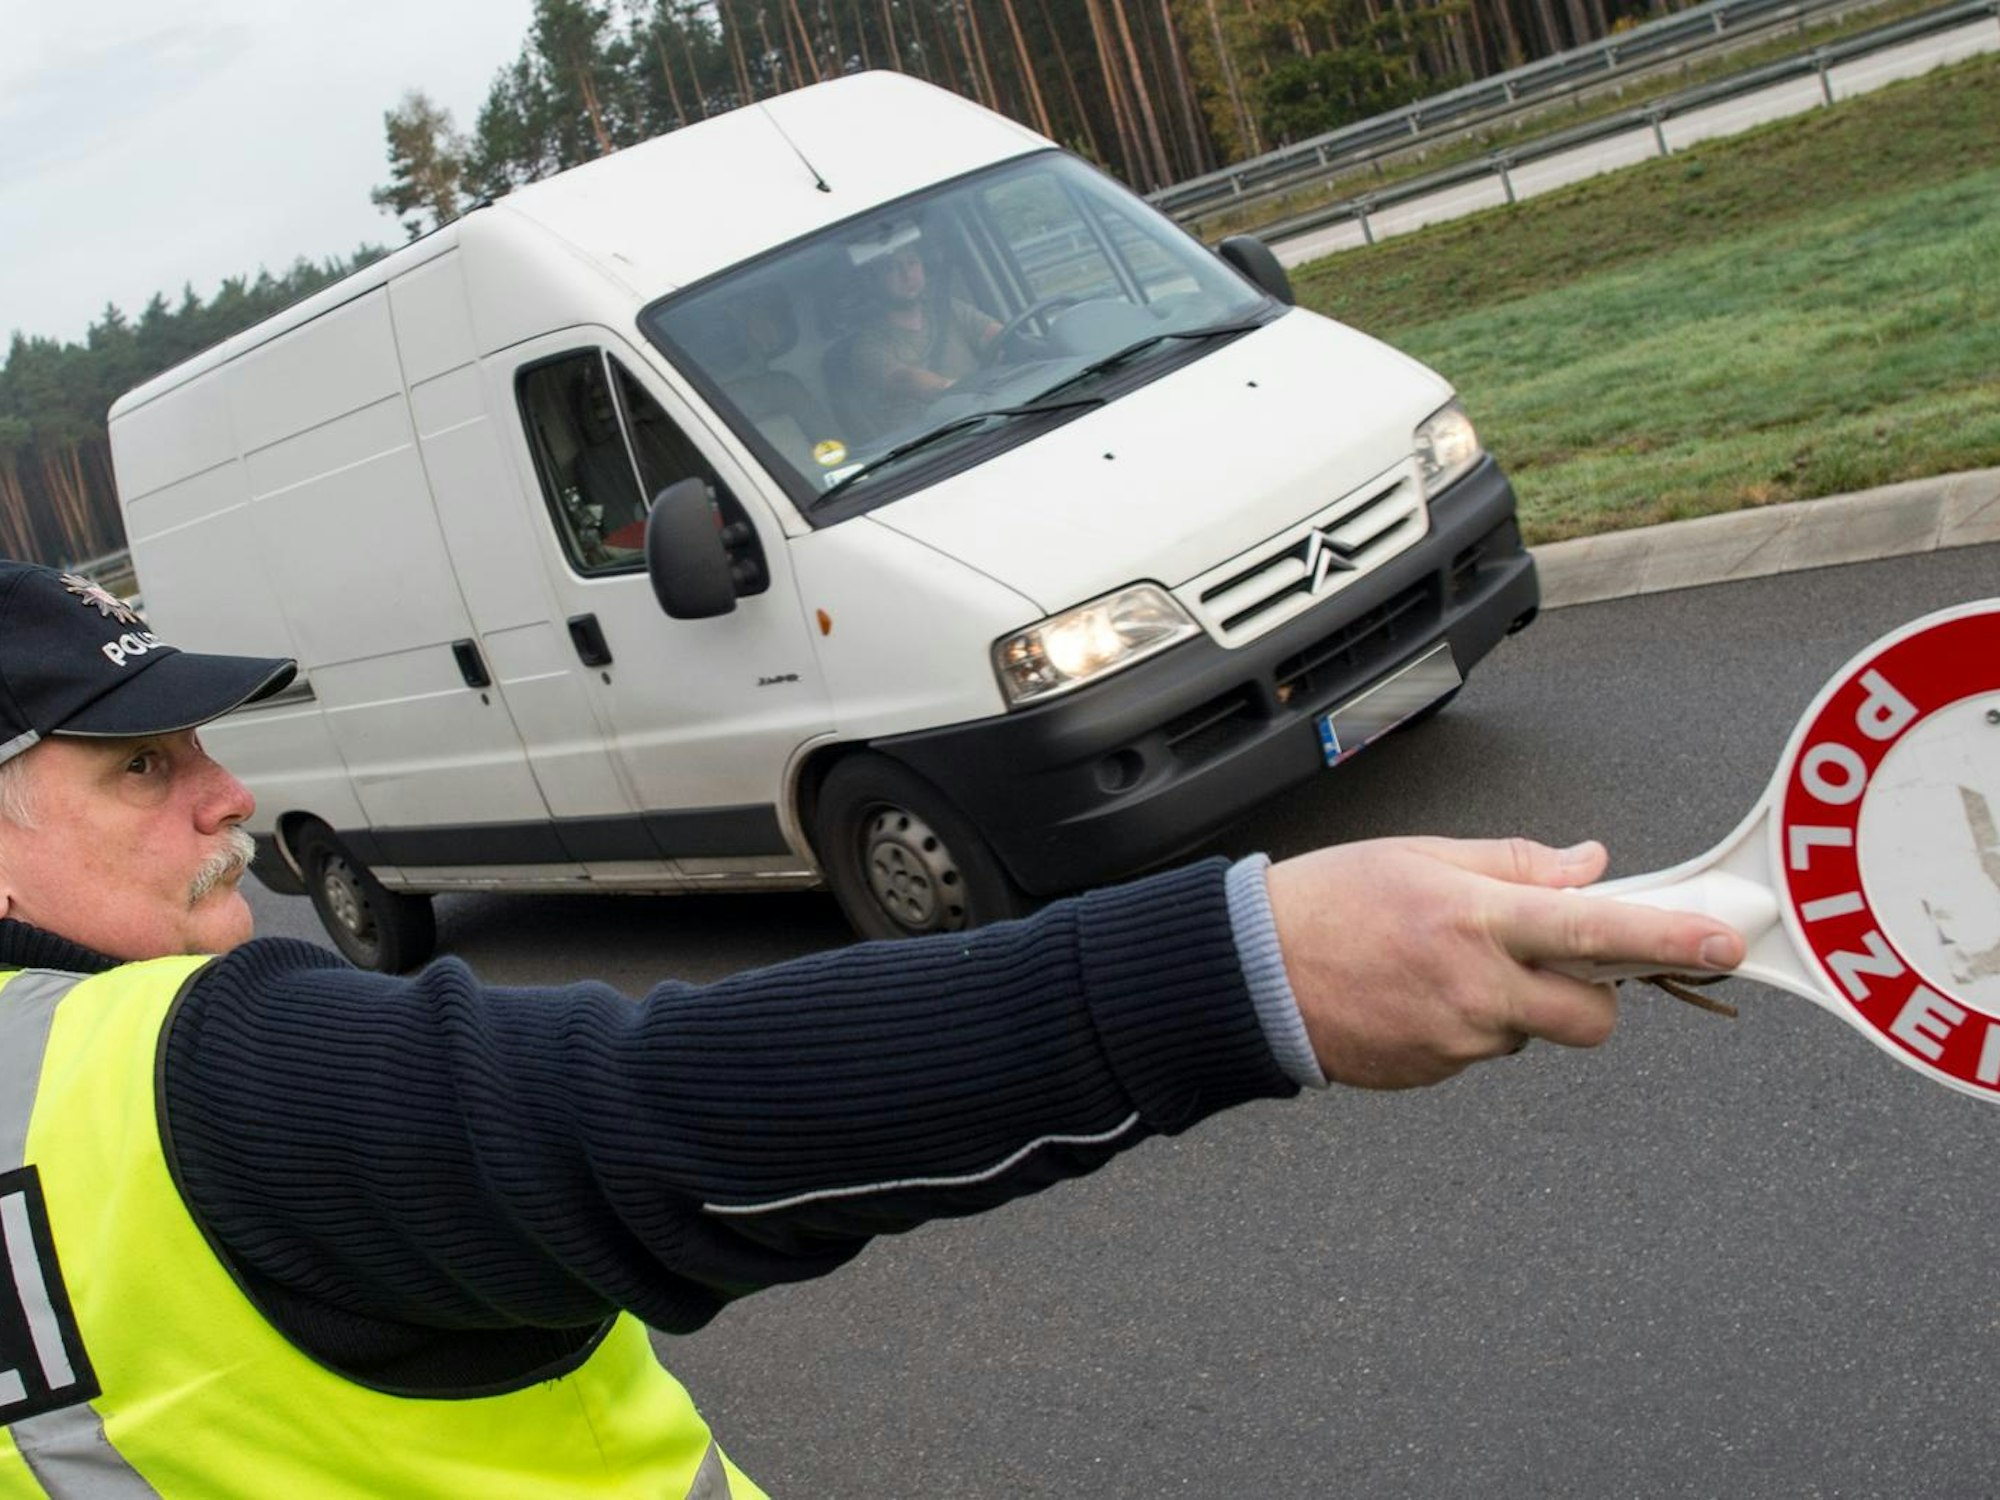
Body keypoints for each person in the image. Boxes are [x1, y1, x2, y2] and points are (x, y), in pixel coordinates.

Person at [0, 558, 1744, 1495]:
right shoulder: (169, 1076)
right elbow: (667, 1114)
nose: (228, 797)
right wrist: (1253, 963)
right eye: (139, 766)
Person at [847, 240, 1002, 431]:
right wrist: (973, 393)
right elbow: (907, 379)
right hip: (933, 439)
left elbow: (1002, 338)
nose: (907, 275)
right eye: (892, 268)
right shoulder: (868, 345)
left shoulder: (948, 309)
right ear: (874, 280)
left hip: (989, 415)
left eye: (912, 263)